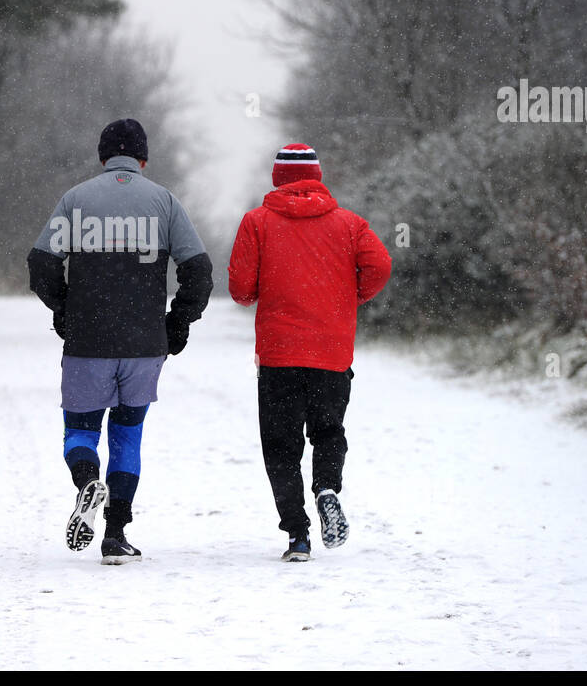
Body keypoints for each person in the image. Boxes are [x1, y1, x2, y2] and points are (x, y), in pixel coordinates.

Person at [28, 118, 213, 564]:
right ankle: (115, 534)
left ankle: (88, 480)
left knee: (81, 431)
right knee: (128, 436)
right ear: (143, 159)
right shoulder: (165, 202)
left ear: (102, 157)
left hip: (87, 342)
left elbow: (41, 264)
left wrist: (64, 309)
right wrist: (178, 321)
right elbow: (200, 271)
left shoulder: (76, 200)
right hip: (144, 344)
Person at [228, 144, 391, 562]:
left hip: (279, 355)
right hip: (332, 352)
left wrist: (264, 289)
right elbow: (381, 265)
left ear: (277, 178)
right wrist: (349, 297)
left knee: (281, 446)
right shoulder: (350, 224)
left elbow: (241, 289)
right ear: (317, 175)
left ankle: (297, 535)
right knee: (328, 431)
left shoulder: (256, 222)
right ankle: (327, 487)